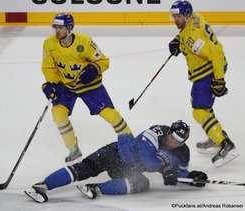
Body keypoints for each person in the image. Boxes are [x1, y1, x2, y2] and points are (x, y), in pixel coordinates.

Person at [24, 120, 208, 203]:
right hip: (116, 152)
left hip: (128, 167)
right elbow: (146, 157)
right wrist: (164, 168)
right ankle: (43, 185)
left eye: (179, 140)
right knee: (85, 169)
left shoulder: (183, 153)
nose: (173, 142)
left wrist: (192, 177)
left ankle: (95, 189)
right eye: (173, 136)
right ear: (169, 131)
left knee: (141, 183)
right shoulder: (157, 131)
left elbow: (179, 172)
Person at [41, 13, 132, 163]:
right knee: (58, 115)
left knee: (111, 115)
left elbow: (104, 61)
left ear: (69, 28)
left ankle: (132, 145)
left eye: (61, 28)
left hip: (90, 87)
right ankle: (73, 149)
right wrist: (51, 84)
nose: (57, 31)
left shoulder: (85, 42)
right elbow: (48, 67)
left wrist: (94, 69)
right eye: (55, 27)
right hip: (66, 87)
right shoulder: (49, 44)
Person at [168, 0, 239, 167]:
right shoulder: (195, 18)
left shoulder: (193, 37)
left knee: (199, 112)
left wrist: (219, 80)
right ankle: (215, 137)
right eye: (174, 16)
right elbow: (189, 32)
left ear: (186, 16)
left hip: (208, 72)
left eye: (177, 16)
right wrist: (178, 40)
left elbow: (217, 54)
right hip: (205, 72)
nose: (175, 20)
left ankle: (225, 144)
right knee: (201, 106)